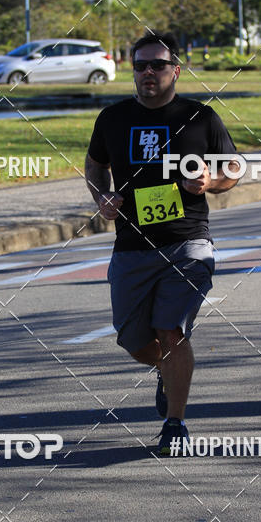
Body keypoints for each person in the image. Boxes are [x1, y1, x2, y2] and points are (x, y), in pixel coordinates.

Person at [84, 31, 240, 455]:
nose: (148, 72)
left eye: (157, 65)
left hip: (187, 242)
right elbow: (95, 165)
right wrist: (101, 198)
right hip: (132, 245)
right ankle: (166, 373)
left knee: (170, 329)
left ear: (176, 69)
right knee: (134, 341)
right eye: (140, 65)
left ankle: (175, 422)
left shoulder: (200, 117)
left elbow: (232, 169)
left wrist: (212, 180)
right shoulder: (112, 119)